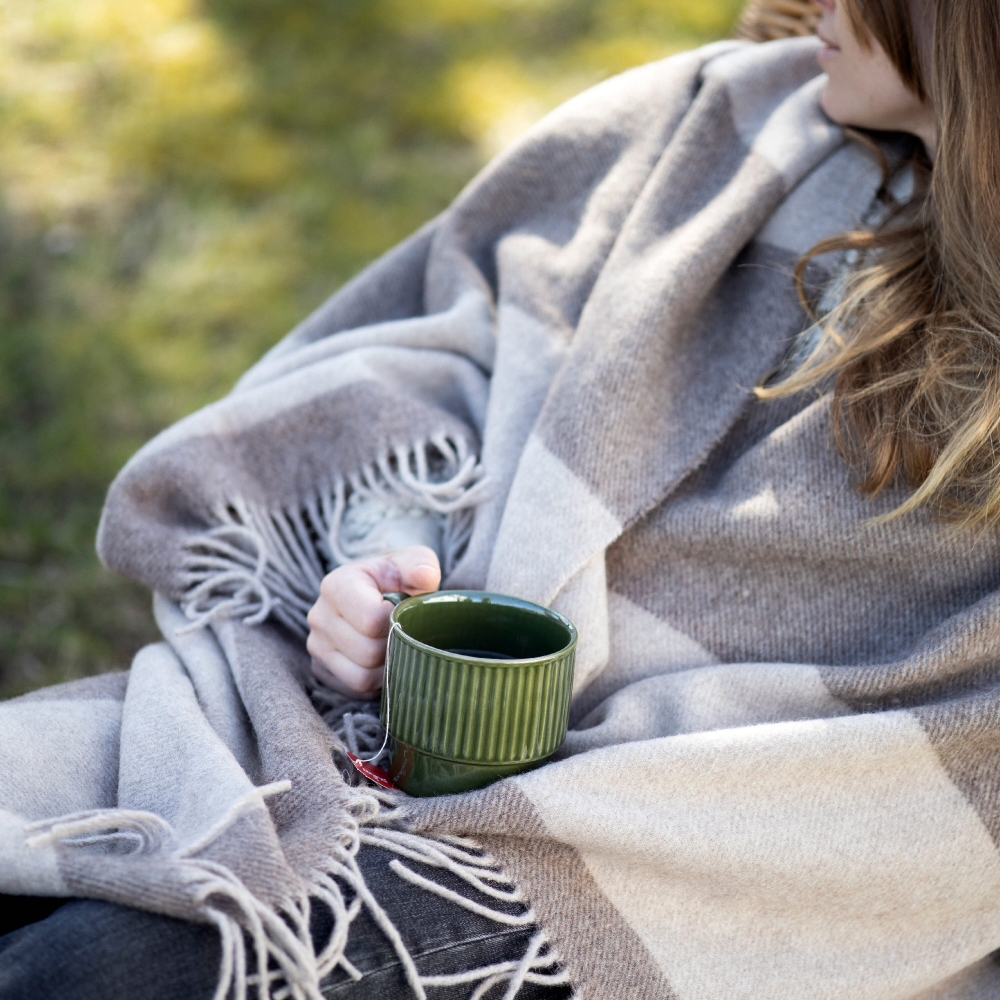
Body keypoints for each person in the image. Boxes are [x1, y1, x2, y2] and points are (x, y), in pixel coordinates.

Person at [4, 1, 1000, 998]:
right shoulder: (725, 120)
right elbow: (454, 349)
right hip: (378, 742)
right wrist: (384, 554)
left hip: (688, 856)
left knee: (84, 971)